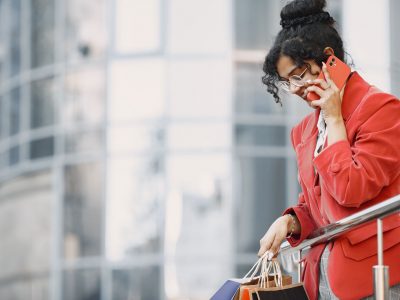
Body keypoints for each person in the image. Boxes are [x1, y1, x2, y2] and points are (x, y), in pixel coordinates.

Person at [257, 0, 400, 299]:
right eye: (287, 82)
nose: (295, 88)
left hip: (375, 280)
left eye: (299, 74)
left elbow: (351, 189)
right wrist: (291, 221)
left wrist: (335, 119)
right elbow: (318, 208)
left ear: (329, 61)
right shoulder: (305, 131)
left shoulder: (382, 110)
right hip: (322, 281)